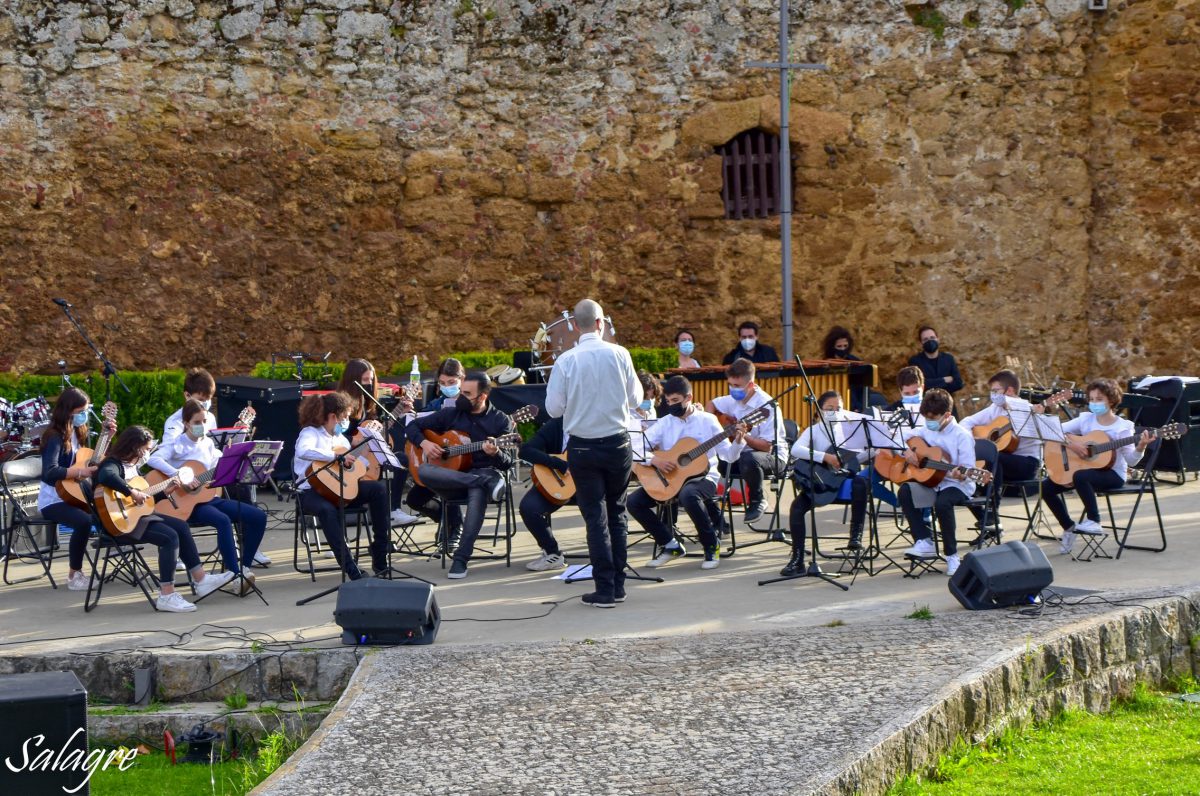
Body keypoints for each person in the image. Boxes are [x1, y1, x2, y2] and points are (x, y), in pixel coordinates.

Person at [545, 298, 643, 608]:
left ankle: (604, 590)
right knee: (617, 513)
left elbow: (553, 408)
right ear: (601, 323)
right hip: (617, 443)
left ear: (574, 325)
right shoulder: (620, 354)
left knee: (595, 519)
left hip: (584, 446)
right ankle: (618, 586)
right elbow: (636, 398)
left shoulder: (566, 361)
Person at [92, 425, 234, 611]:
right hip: (116, 523)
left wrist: (163, 493)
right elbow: (105, 475)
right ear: (135, 447)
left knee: (181, 527)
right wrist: (132, 491)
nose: (148, 453)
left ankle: (202, 580)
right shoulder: (113, 463)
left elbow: (142, 501)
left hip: (134, 517)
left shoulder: (133, 468)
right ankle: (166, 594)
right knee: (169, 537)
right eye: (147, 449)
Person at [147, 399, 268, 594]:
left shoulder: (209, 444)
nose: (201, 426)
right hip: (185, 504)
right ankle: (235, 575)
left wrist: (233, 462)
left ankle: (244, 568)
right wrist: (180, 476)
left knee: (258, 516)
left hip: (207, 498)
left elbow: (218, 468)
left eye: (204, 421)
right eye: (196, 422)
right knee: (223, 520)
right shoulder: (177, 445)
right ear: (186, 423)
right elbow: (153, 459)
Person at [628, 375, 745, 571]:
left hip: (705, 478)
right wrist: (654, 460)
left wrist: (739, 441)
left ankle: (711, 544)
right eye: (668, 401)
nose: (671, 405)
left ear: (688, 397)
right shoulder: (665, 422)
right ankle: (670, 545)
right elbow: (636, 446)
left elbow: (729, 457)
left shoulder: (708, 421)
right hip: (671, 479)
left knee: (689, 495)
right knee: (633, 502)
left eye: (676, 401)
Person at [403, 372, 514, 579]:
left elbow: (508, 463)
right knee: (424, 470)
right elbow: (412, 426)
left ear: (482, 396)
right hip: (454, 478)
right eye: (461, 392)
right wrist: (425, 443)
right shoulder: (452, 414)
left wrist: (496, 452)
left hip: (483, 471)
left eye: (467, 393)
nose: (460, 397)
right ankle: (482, 482)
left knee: (477, 491)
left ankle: (461, 558)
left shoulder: (500, 421)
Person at [163, 367, 271, 566]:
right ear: (186, 395)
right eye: (200, 398)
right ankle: (182, 551)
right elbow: (169, 455)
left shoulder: (209, 417)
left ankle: (248, 549)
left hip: (209, 478)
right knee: (220, 516)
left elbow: (215, 446)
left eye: (209, 399)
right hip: (184, 487)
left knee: (242, 489)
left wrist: (237, 435)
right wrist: (183, 476)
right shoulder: (174, 422)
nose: (205, 404)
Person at [1043, 378, 1150, 556]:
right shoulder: (1086, 419)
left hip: (1113, 475)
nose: (1094, 403)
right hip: (1086, 471)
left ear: (1111, 400)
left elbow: (1131, 461)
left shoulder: (1123, 427)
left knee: (1080, 477)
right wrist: (1073, 445)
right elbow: (1053, 430)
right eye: (1091, 399)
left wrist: (1141, 447)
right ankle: (1069, 528)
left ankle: (1094, 521)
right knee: (1046, 487)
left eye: (1099, 399)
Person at [293, 392, 392, 580]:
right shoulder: (310, 433)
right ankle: (351, 569)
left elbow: (352, 465)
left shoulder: (341, 440)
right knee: (327, 511)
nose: (347, 421)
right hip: (311, 493)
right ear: (333, 416)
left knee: (377, 489)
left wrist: (364, 459)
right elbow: (303, 451)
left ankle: (380, 552)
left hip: (340, 490)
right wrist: (336, 457)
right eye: (345, 417)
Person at [781, 391, 870, 576]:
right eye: (830, 409)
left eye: (838, 408)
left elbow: (857, 458)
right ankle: (797, 558)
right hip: (822, 483)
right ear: (819, 410)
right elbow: (796, 449)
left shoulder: (850, 430)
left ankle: (855, 537)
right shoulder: (814, 430)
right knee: (796, 507)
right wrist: (825, 457)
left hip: (844, 481)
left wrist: (875, 449)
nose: (835, 412)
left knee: (861, 482)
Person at [38, 388, 116, 591]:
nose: (84, 415)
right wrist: (80, 472)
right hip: (53, 499)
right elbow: (49, 472)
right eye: (81, 410)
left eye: (86, 410)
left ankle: (116, 544)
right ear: (68, 411)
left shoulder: (76, 433)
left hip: (74, 494)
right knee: (84, 521)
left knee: (105, 507)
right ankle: (74, 575)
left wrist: (107, 437)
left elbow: (93, 460)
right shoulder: (54, 436)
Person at [894, 389, 976, 575]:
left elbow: (968, 470)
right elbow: (900, 438)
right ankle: (924, 540)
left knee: (943, 503)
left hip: (957, 485)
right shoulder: (924, 428)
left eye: (933, 418)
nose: (929, 422)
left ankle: (952, 556)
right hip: (932, 483)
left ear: (947, 415)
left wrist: (960, 473)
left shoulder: (962, 435)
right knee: (905, 491)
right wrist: (906, 452)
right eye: (926, 418)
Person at [958, 369, 1043, 544]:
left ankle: (992, 514)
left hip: (1027, 464)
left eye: (996, 391)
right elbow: (966, 422)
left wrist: (1034, 418)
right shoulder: (994, 408)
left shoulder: (1027, 410)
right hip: (1000, 465)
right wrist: (971, 441)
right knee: (965, 472)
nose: (993, 395)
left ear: (1010, 391)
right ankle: (988, 521)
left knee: (994, 457)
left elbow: (1031, 438)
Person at [337, 358, 420, 526]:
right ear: (353, 380)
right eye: (365, 380)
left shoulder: (368, 403)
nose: (369, 384)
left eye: (371, 380)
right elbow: (329, 432)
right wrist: (354, 440)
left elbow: (378, 429)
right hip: (346, 457)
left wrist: (400, 412)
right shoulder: (340, 403)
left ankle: (394, 510)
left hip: (368, 455)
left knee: (400, 460)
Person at [704, 359, 785, 523]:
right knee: (704, 463)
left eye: (737, 385)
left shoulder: (768, 406)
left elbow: (766, 446)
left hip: (772, 457)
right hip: (738, 456)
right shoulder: (733, 399)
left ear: (751, 385)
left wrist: (743, 436)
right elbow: (711, 404)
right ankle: (716, 520)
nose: (733, 389)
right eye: (730, 384)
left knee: (750, 459)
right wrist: (713, 426)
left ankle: (757, 500)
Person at [404, 358, 468, 527]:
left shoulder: (473, 404)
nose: (447, 387)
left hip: (464, 464)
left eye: (452, 382)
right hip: (437, 461)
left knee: (446, 484)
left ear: (462, 379)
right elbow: (414, 427)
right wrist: (425, 442)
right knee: (414, 500)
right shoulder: (435, 404)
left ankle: (453, 529)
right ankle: (446, 522)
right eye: (442, 383)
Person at [907, 326, 963, 401]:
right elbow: (919, 385)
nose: (930, 341)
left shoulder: (948, 359)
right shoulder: (915, 362)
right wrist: (944, 380)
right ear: (921, 343)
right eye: (925, 339)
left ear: (938, 339)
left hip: (948, 405)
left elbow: (958, 383)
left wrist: (931, 383)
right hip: (927, 407)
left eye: (932, 337)